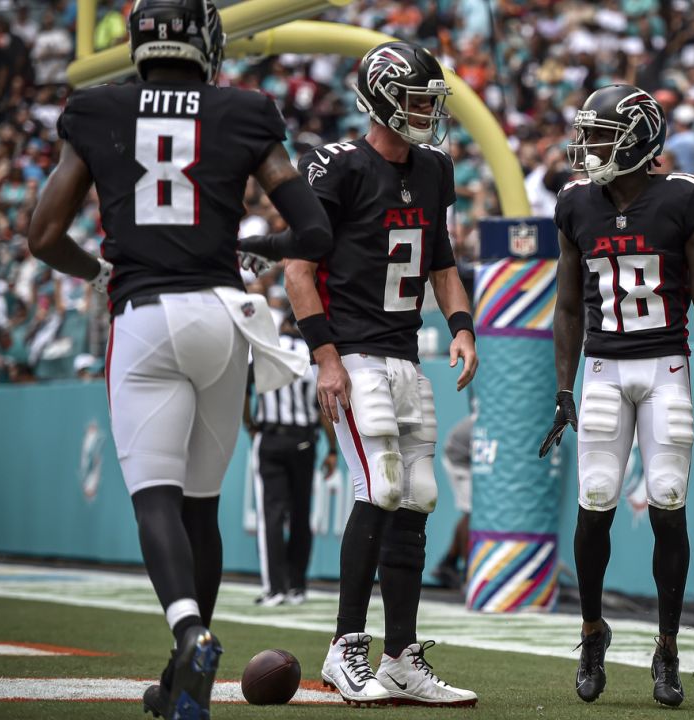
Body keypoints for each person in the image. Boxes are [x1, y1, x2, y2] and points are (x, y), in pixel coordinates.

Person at [26, 2, 334, 717]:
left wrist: (99, 273)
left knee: (155, 499)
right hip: (224, 317)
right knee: (201, 506)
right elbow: (313, 229)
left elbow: (43, 235)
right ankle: (179, 680)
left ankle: (190, 632)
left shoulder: (95, 109)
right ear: (207, 41)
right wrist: (263, 249)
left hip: (144, 316)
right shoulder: (246, 110)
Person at [540, 84, 694, 708]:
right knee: (597, 498)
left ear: (638, 139)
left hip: (665, 366)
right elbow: (564, 306)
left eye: (601, 136)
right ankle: (591, 631)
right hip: (603, 368)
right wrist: (562, 387)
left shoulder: (684, 199)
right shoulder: (576, 204)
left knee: (667, 499)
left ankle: (666, 646)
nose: (588, 147)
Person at [279, 40, 479, 708]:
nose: (427, 110)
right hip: (355, 352)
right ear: (382, 98)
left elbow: (441, 258)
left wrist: (461, 326)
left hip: (403, 352)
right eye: (417, 97)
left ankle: (400, 658)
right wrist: (325, 357)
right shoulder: (336, 166)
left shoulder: (433, 169)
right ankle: (344, 649)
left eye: (430, 99)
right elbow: (299, 269)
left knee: (419, 493)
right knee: (381, 484)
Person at [247, 312, 337, 608]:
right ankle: (297, 585)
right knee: (301, 513)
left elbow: (241, 391)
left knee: (271, 514)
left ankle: (275, 589)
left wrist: (251, 425)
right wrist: (333, 450)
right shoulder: (312, 355)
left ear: (283, 325)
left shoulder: (265, 350)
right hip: (303, 439)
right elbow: (324, 409)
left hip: (271, 436)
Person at [433, 411, 474, 590]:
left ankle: (448, 562)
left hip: (470, 455)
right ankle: (469, 574)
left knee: (471, 512)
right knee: (472, 513)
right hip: (459, 458)